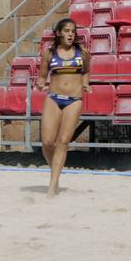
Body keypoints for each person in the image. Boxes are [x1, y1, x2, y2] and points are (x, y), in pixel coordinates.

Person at [34, 17, 88, 197]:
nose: (71, 34)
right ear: (58, 33)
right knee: (48, 142)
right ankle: (55, 171)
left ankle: (52, 186)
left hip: (74, 100)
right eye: (67, 31)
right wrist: (40, 83)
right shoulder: (49, 53)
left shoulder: (83, 53)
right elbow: (42, 76)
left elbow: (86, 71)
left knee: (62, 142)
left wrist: (86, 84)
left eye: (73, 31)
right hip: (53, 98)